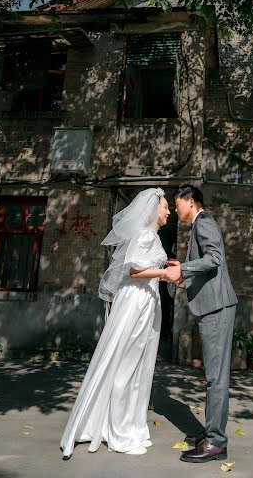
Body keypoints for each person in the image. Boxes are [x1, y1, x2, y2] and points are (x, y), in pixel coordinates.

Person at [60, 188, 170, 459]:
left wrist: (164, 275)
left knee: (138, 367)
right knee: (126, 365)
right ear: (154, 209)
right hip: (136, 302)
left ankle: (131, 427)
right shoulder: (144, 235)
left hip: (147, 301)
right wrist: (165, 273)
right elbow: (133, 270)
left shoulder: (151, 236)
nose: (168, 211)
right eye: (165, 206)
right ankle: (119, 432)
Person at [164, 184, 238, 463]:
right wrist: (180, 269)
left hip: (217, 309)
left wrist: (183, 268)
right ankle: (212, 434)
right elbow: (204, 266)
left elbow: (215, 259)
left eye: (177, 203)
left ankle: (216, 442)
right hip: (213, 307)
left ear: (190, 201)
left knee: (215, 378)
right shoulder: (199, 225)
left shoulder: (204, 223)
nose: (174, 209)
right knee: (213, 376)